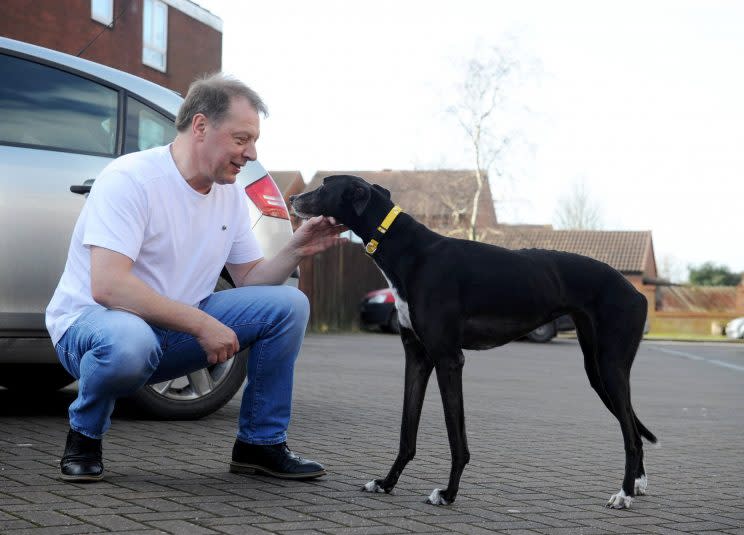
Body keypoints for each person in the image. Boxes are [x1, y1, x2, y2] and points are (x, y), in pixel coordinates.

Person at [45, 73, 345, 482]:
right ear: (201, 126)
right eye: (241, 139)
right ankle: (85, 435)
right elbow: (109, 286)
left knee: (289, 305)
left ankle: (260, 445)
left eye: (253, 141)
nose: (250, 153)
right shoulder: (131, 179)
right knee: (131, 339)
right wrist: (202, 323)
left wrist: (294, 248)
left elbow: (250, 279)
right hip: (93, 330)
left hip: (171, 331)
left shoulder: (230, 195)